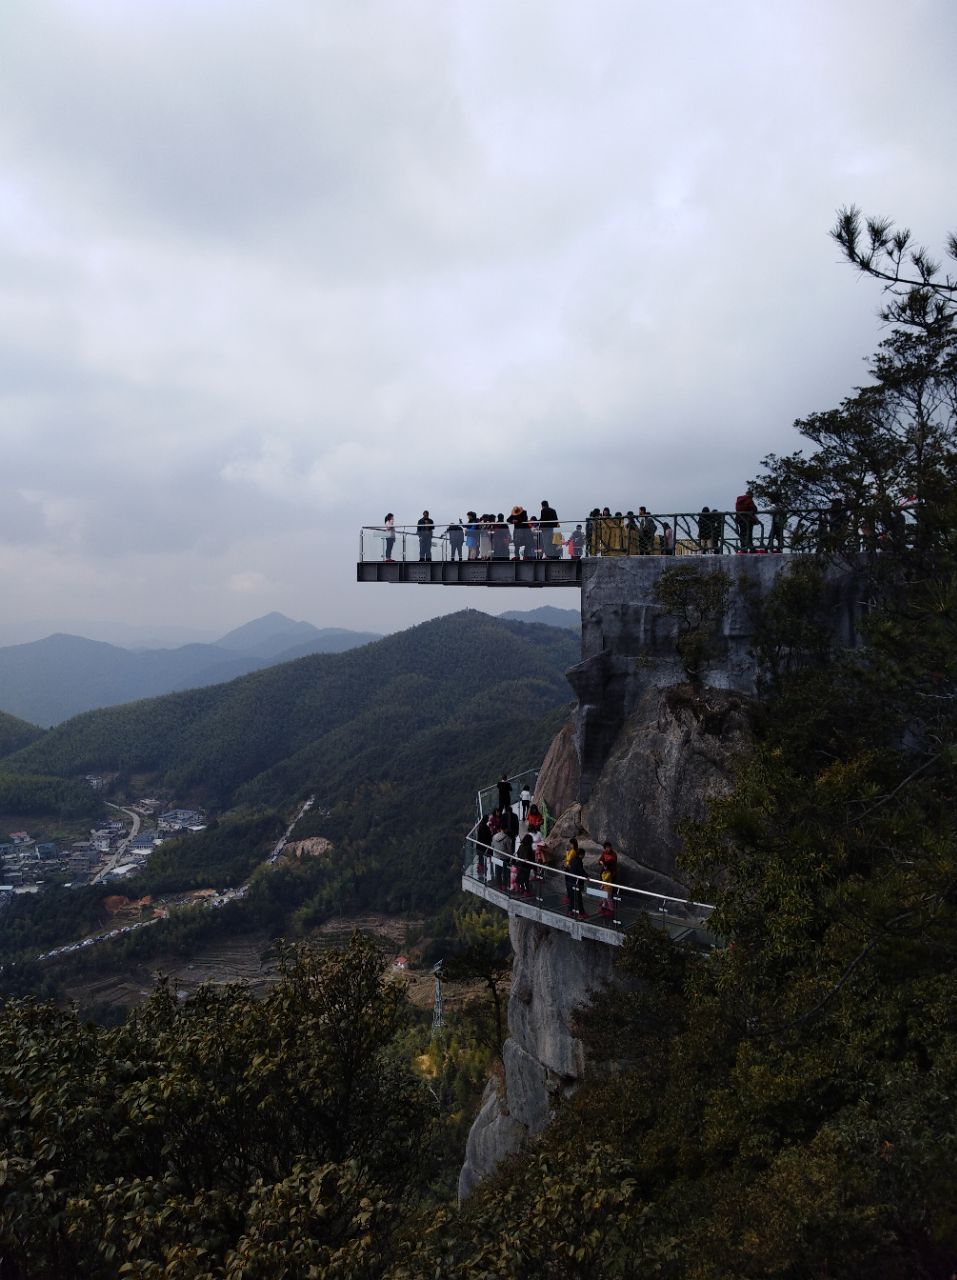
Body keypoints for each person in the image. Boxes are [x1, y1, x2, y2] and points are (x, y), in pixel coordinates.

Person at [565, 839, 586, 916]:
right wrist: (586, 876)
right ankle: (581, 913)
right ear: (581, 854)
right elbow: (580, 870)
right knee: (578, 897)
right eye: (583, 855)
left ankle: (570, 911)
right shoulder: (578, 860)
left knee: (572, 897)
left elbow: (570, 865)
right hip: (576, 882)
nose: (584, 856)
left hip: (571, 880)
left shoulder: (573, 858)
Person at [597, 841, 618, 916]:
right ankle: (604, 907)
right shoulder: (604, 853)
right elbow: (599, 861)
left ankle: (610, 910)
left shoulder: (613, 855)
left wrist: (606, 866)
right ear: (605, 848)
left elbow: (613, 864)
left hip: (610, 875)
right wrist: (602, 863)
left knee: (608, 896)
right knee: (603, 894)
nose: (608, 849)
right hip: (604, 874)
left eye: (609, 847)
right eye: (607, 848)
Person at [475, 814, 492, 879]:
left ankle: (480, 869)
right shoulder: (485, 827)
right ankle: (482, 870)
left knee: (480, 857)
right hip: (483, 845)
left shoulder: (480, 826)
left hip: (479, 844)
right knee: (482, 857)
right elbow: (488, 837)